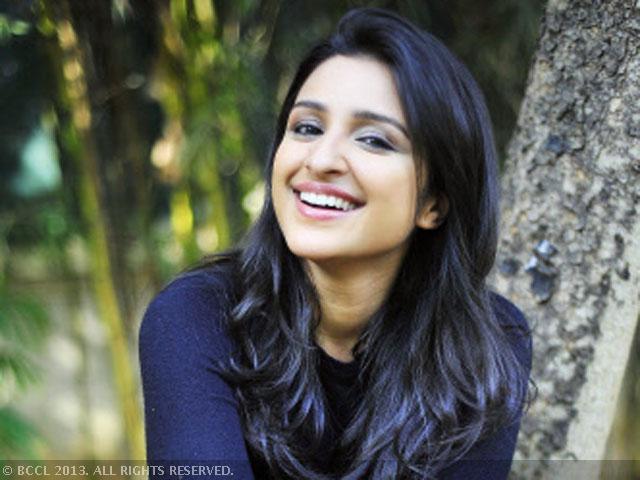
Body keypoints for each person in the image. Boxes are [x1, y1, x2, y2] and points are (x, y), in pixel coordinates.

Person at [139, 7, 532, 480]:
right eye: (307, 128)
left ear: (434, 203)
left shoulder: (488, 344)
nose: (322, 159)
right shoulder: (198, 317)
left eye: (374, 140)